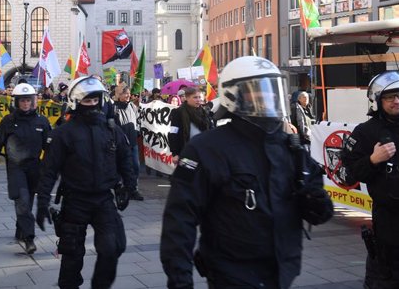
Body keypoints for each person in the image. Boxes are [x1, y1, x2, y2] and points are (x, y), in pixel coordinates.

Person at [160, 56, 333, 288]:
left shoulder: (290, 147)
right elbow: (180, 219)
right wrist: (180, 279)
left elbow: (318, 209)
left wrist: (317, 203)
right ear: (233, 95)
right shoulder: (207, 148)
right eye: (258, 90)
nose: (268, 96)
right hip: (232, 272)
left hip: (283, 270)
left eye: (272, 89)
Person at [36, 76, 134, 289]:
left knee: (112, 248)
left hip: (103, 200)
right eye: (86, 101)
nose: (91, 105)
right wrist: (42, 202)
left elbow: (125, 158)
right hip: (75, 201)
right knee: (72, 256)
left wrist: (129, 186)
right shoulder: (63, 133)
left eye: (95, 100)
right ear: (76, 101)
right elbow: (49, 171)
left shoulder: (111, 129)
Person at [341, 71, 399, 288]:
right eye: (389, 97)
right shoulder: (365, 133)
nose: (397, 101)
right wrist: (372, 160)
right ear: (377, 101)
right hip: (389, 221)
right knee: (385, 281)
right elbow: (345, 175)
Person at [0, 83, 51, 254]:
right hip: (15, 168)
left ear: (34, 101)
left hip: (34, 167)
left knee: (27, 202)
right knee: (22, 200)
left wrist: (53, 168)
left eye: (29, 100)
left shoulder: (42, 122)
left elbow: (50, 148)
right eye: (22, 101)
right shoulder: (8, 121)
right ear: (16, 102)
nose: (26, 104)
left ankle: (20, 228)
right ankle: (29, 239)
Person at [113, 83, 144, 201]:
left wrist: (137, 131)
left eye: (128, 93)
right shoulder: (114, 108)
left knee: (135, 166)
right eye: (125, 93)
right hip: (120, 144)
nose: (128, 95)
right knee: (121, 167)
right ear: (119, 94)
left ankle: (133, 189)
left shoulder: (131, 106)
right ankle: (122, 189)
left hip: (133, 141)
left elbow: (137, 120)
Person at [168, 86, 213, 163]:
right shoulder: (178, 112)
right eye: (195, 97)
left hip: (204, 151)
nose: (198, 100)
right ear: (187, 98)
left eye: (199, 97)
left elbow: (210, 129)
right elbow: (173, 133)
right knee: (188, 173)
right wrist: (175, 153)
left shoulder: (204, 112)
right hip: (186, 151)